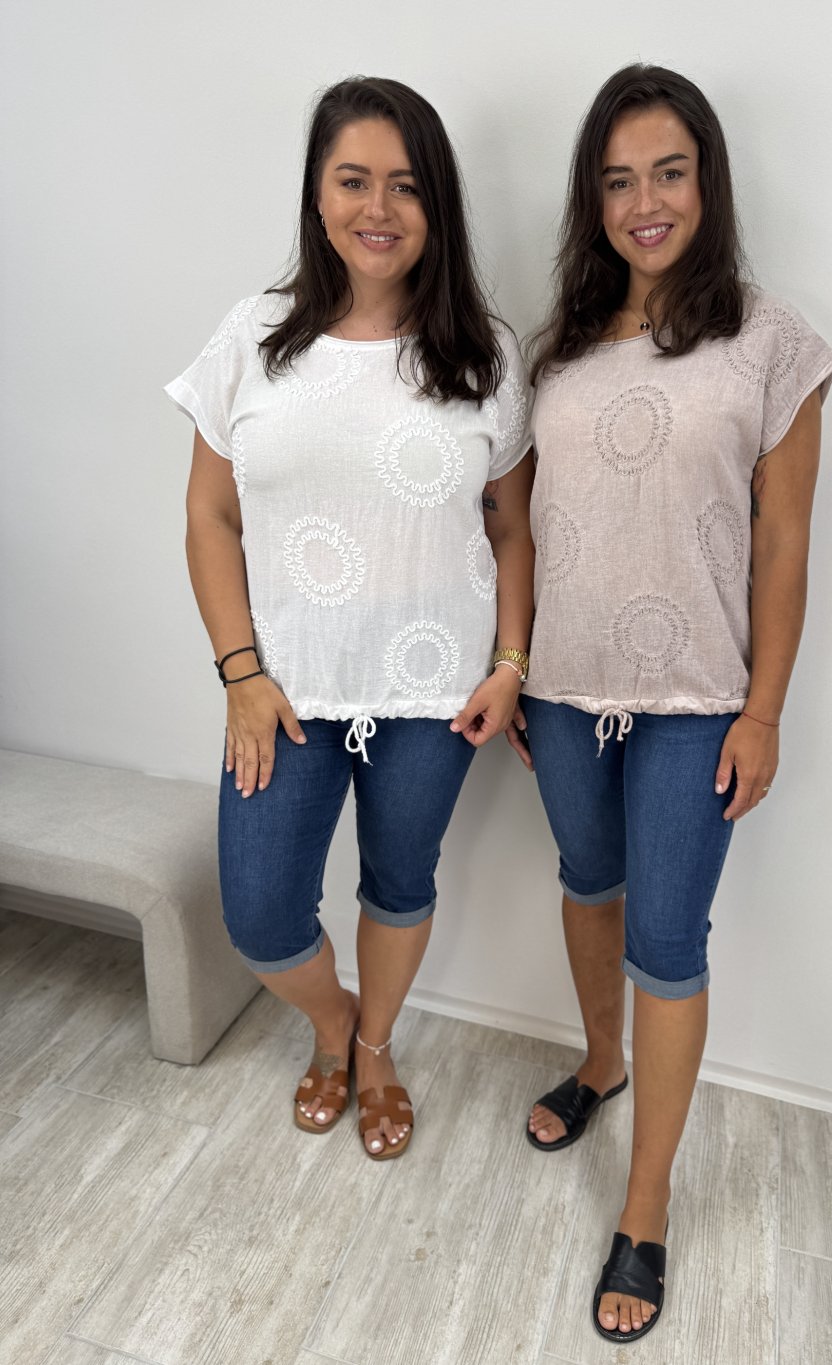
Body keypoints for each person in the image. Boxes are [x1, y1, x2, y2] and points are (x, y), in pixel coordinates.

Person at [519, 64, 832, 1340]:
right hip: (560, 689)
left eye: (667, 171)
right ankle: (599, 1064)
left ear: (707, 181)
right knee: (585, 883)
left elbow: (784, 544)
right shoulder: (559, 347)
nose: (643, 202)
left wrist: (763, 711)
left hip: (698, 699)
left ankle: (644, 1207)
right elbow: (521, 522)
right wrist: (510, 665)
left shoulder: (772, 342)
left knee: (666, 939)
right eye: (617, 180)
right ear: (591, 200)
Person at [166, 76, 534, 1160]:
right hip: (284, 687)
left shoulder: (483, 354)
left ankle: (373, 1054)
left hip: (435, 689)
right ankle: (336, 1024)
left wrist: (511, 661)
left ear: (437, 205)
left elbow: (513, 528)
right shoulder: (253, 336)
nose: (379, 208)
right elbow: (209, 515)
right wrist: (240, 673)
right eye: (354, 180)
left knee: (399, 882)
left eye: (405, 186)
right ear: (317, 194)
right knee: (259, 911)